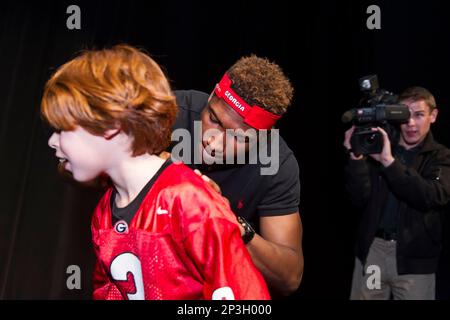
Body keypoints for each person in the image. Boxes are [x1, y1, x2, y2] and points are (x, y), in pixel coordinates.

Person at [41, 44, 270, 300]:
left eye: (63, 129)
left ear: (110, 126)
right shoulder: (103, 214)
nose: (52, 141)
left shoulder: (189, 201)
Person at [170, 55, 303, 296]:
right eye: (214, 119)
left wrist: (231, 223)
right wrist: (163, 175)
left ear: (262, 138)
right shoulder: (173, 112)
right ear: (211, 96)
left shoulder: (277, 165)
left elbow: (290, 277)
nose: (214, 142)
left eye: (239, 138)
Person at [344, 86, 450, 299]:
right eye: (405, 115)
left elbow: (431, 196)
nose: (411, 123)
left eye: (419, 115)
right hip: (373, 253)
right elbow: (358, 198)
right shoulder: (378, 145)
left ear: (433, 115)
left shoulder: (440, 156)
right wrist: (355, 158)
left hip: (414, 261)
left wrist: (389, 162)